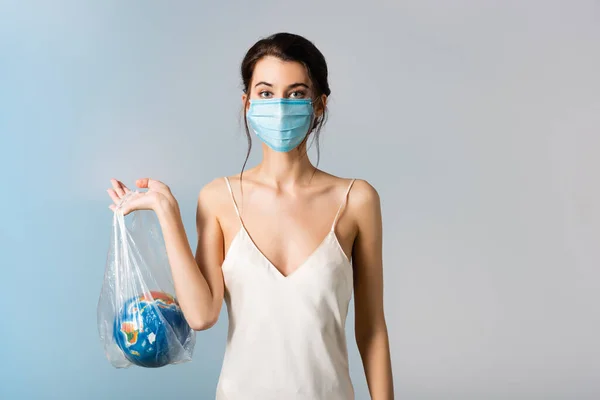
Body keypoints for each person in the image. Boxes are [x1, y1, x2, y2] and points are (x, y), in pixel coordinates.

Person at [107, 32, 394, 400]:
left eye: (296, 93)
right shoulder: (217, 199)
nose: (279, 105)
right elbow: (201, 315)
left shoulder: (357, 200)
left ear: (319, 104)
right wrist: (167, 212)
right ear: (247, 102)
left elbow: (371, 330)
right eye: (265, 92)